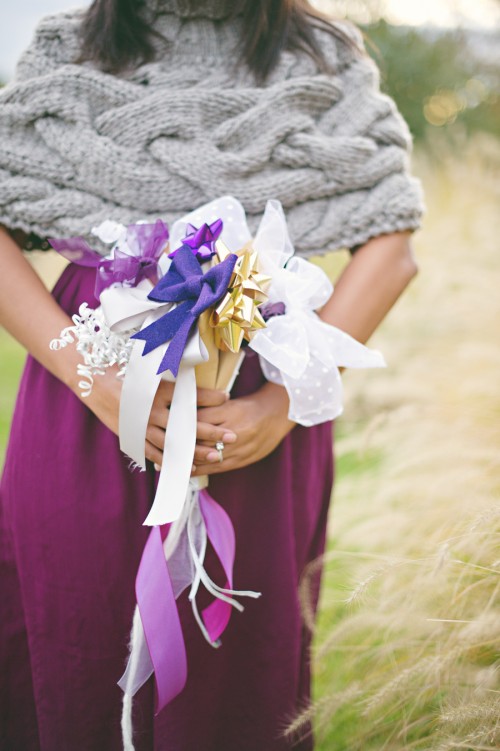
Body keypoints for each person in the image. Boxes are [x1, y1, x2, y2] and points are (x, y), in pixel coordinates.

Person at [0, 1, 423, 749]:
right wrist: (97, 380)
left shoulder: (319, 54)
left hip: (256, 411)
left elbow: (393, 243)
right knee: (76, 648)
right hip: (85, 401)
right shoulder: (69, 49)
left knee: (239, 678)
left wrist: (285, 401)